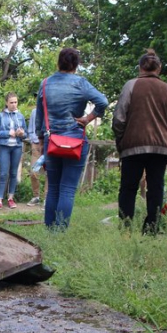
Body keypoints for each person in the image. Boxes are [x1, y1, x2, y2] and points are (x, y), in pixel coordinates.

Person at [35, 48, 107, 229]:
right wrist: (88, 118)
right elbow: (103, 102)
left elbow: (39, 116)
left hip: (52, 141)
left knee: (53, 188)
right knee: (67, 189)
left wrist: (41, 139)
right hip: (75, 141)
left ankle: (49, 230)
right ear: (76, 65)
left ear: (58, 63)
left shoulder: (45, 83)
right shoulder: (80, 83)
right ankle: (60, 232)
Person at [112, 49, 167, 234]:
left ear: (140, 67)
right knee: (156, 188)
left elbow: (119, 119)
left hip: (132, 147)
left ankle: (126, 229)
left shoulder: (131, 85)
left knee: (128, 189)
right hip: (160, 149)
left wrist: (122, 139)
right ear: (159, 68)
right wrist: (166, 137)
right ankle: (151, 229)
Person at [0, 92, 27, 210]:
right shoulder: (0, 116)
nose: (14, 104)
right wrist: (7, 133)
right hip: (5, 147)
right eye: (11, 102)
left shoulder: (20, 116)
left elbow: (25, 134)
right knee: (3, 173)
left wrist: (22, 134)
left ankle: (11, 198)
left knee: (13, 173)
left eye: (15, 102)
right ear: (6, 103)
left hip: (17, 147)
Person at [27, 104, 46, 206]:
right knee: (33, 171)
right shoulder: (34, 112)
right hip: (36, 145)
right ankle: (36, 196)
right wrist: (33, 141)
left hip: (48, 145)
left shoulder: (52, 110)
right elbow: (30, 130)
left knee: (49, 172)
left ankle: (47, 198)